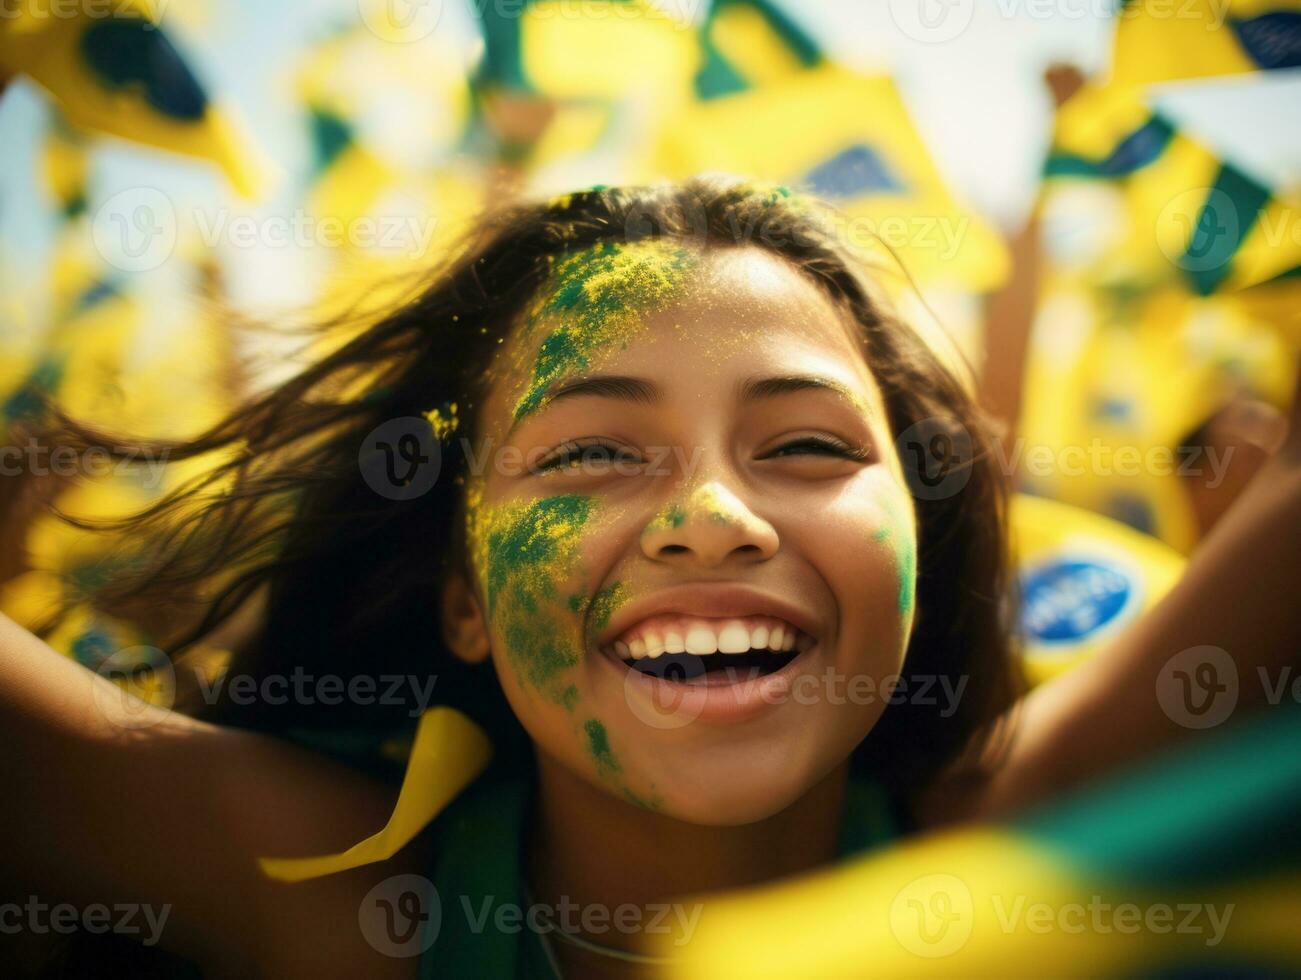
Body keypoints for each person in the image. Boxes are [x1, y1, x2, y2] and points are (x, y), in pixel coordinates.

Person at [2, 177, 1298, 979]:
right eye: (590, 451)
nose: (712, 515)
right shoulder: (343, 902)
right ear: (459, 592)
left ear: (923, 531)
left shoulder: (1013, 838)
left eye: (804, 443)